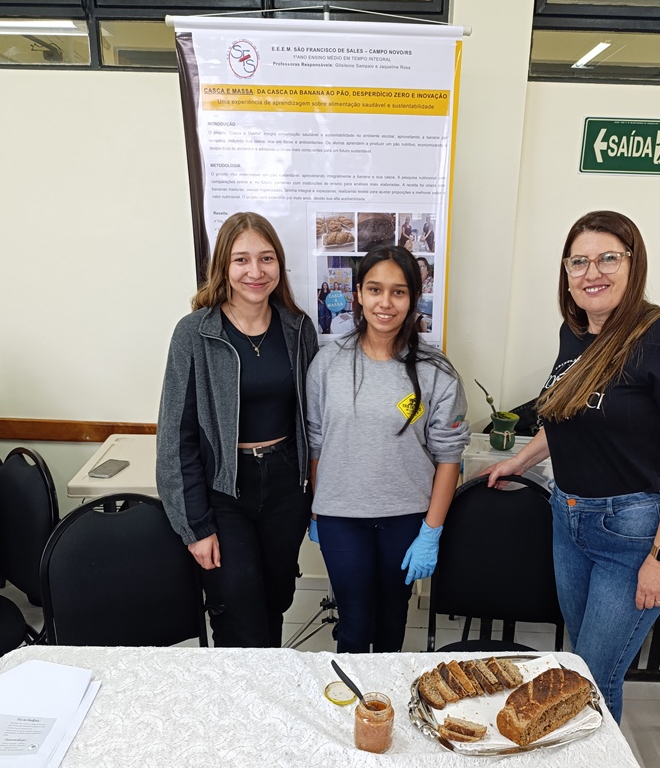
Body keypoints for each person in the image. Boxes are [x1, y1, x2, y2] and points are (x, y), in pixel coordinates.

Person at [487, 210, 660, 722]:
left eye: (608, 258)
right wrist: (520, 460)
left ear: (634, 264)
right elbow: (567, 416)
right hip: (568, 519)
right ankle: (579, 760)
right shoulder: (575, 333)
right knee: (580, 666)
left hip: (633, 535)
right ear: (566, 272)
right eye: (579, 261)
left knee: (590, 679)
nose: (593, 273)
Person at [157, 211, 319, 648]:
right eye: (241, 259)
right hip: (225, 490)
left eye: (266, 258)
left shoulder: (298, 328)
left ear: (279, 264)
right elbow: (175, 438)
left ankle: (269, 683)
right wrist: (195, 526)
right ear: (223, 267)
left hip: (285, 486)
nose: (255, 271)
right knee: (236, 604)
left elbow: (314, 418)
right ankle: (242, 689)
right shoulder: (195, 333)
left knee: (275, 599)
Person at [306, 245, 469, 653]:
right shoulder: (326, 364)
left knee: (393, 617)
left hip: (406, 518)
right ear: (358, 294)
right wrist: (317, 507)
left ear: (413, 299)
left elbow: (449, 456)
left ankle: (385, 693)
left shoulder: (436, 370)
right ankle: (351, 694)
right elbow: (316, 440)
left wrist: (432, 531)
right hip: (341, 518)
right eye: (375, 289)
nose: (385, 302)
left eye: (398, 292)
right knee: (354, 622)